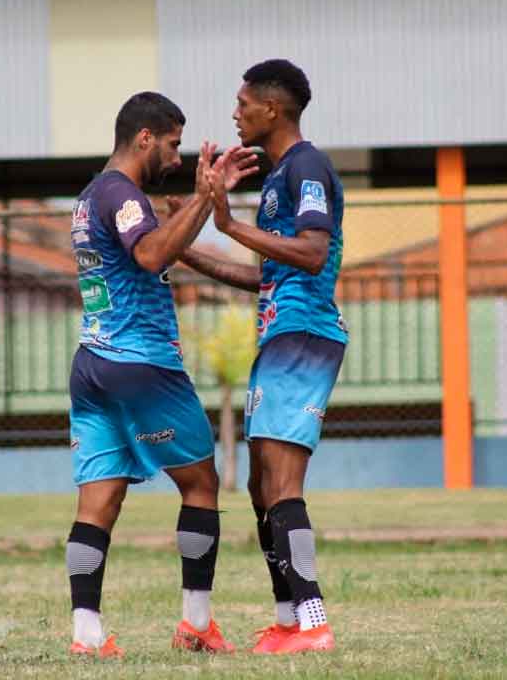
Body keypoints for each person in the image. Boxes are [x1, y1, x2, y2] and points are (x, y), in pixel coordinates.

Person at [65, 91, 258, 658]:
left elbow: (150, 252)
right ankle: (196, 624)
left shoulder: (88, 196)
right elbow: (151, 256)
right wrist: (204, 198)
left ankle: (87, 636)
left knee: (98, 503)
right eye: (172, 144)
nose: (175, 157)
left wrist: (205, 199)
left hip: (92, 367)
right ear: (144, 137)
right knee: (201, 484)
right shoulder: (124, 195)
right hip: (142, 365)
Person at [178, 60, 347, 654]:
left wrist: (229, 222)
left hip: (303, 335)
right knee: (257, 485)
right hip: (280, 335)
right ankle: (288, 620)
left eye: (242, 102)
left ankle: (314, 621)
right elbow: (267, 276)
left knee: (281, 481)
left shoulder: (306, 166)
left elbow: (309, 252)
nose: (234, 112)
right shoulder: (278, 178)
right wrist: (189, 251)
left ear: (272, 109)